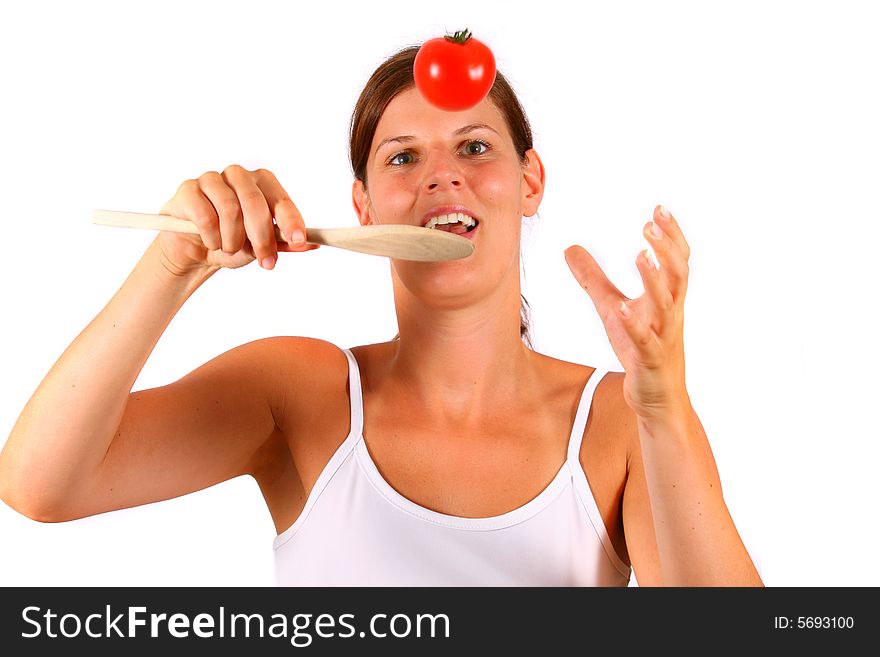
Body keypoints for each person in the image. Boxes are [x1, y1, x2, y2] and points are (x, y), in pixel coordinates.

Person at [0, 45, 762, 587]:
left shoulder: (622, 424)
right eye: (402, 157)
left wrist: (662, 409)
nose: (442, 176)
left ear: (530, 181)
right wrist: (171, 268)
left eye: (473, 146)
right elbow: (39, 484)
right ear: (363, 204)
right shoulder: (297, 391)